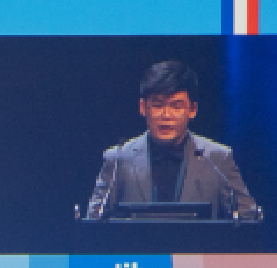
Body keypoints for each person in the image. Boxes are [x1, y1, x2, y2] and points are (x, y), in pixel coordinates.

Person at [82, 60, 262, 222]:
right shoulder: (118, 159)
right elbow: (94, 222)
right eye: (158, 105)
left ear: (192, 110)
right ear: (143, 107)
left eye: (176, 106)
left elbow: (247, 218)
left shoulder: (217, 158)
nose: (166, 115)